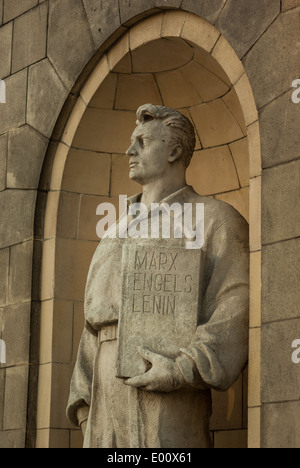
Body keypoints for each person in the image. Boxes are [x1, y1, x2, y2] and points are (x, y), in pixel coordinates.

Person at [67, 104, 249, 448]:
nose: (129, 150)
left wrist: (183, 369)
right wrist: (84, 405)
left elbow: (236, 310)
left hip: (171, 402)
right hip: (104, 405)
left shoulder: (216, 220)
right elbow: (93, 327)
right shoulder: (113, 233)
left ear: (174, 151)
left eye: (143, 141)